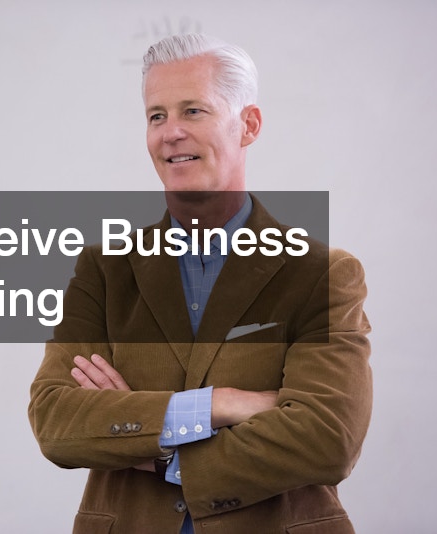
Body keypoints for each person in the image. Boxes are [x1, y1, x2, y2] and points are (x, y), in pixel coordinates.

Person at [28, 33, 371, 534]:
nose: (170, 133)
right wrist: (219, 404)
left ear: (248, 125)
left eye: (193, 111)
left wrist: (156, 451)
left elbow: (326, 437)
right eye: (156, 116)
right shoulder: (104, 270)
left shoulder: (321, 273)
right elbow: (57, 422)